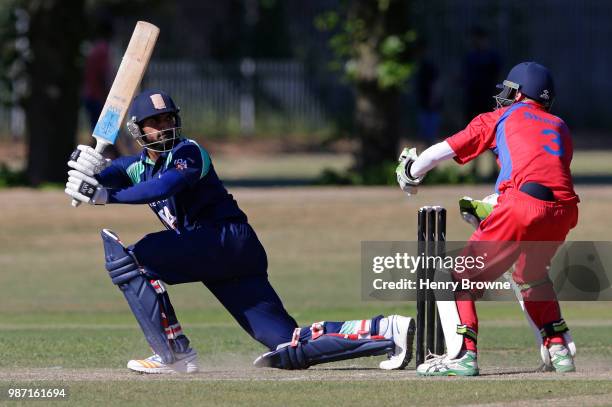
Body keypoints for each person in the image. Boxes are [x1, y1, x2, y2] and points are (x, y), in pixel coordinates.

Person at [65, 89, 414, 374]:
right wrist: (87, 167)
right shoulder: (136, 166)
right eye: (155, 122)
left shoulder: (189, 152)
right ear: (139, 130)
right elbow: (106, 176)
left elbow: (162, 188)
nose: (165, 125)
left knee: (135, 259)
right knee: (287, 345)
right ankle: (387, 330)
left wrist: (104, 195)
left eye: (169, 118)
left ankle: (173, 353)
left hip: (224, 239)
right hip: (222, 253)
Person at [396, 62, 579, 376]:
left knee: (455, 277)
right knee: (530, 275)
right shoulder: (560, 125)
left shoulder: (503, 116)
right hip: (564, 211)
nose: (505, 97)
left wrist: (410, 171)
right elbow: (545, 174)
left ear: (520, 93)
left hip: (521, 206)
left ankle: (464, 357)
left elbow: (443, 151)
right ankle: (559, 348)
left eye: (510, 91)